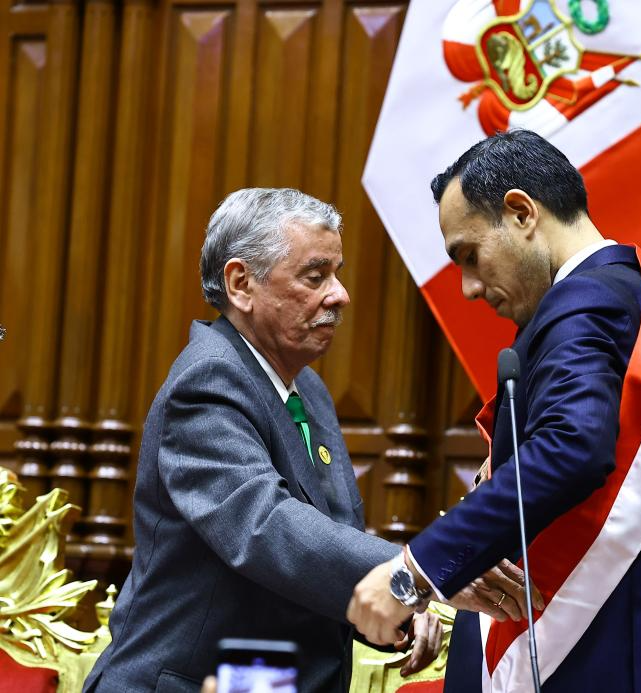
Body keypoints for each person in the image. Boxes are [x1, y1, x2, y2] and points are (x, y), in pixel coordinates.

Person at [346, 130, 641, 692]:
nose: (469, 287)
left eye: (470, 256)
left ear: (522, 212)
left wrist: (414, 571)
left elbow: (571, 447)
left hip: (599, 662)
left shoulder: (583, 304)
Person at [85, 188, 459, 692]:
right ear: (241, 284)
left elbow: (322, 540)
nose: (340, 295)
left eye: (337, 273)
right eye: (315, 276)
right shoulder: (208, 381)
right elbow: (266, 528)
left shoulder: (308, 388)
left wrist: (391, 607)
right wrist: (406, 572)